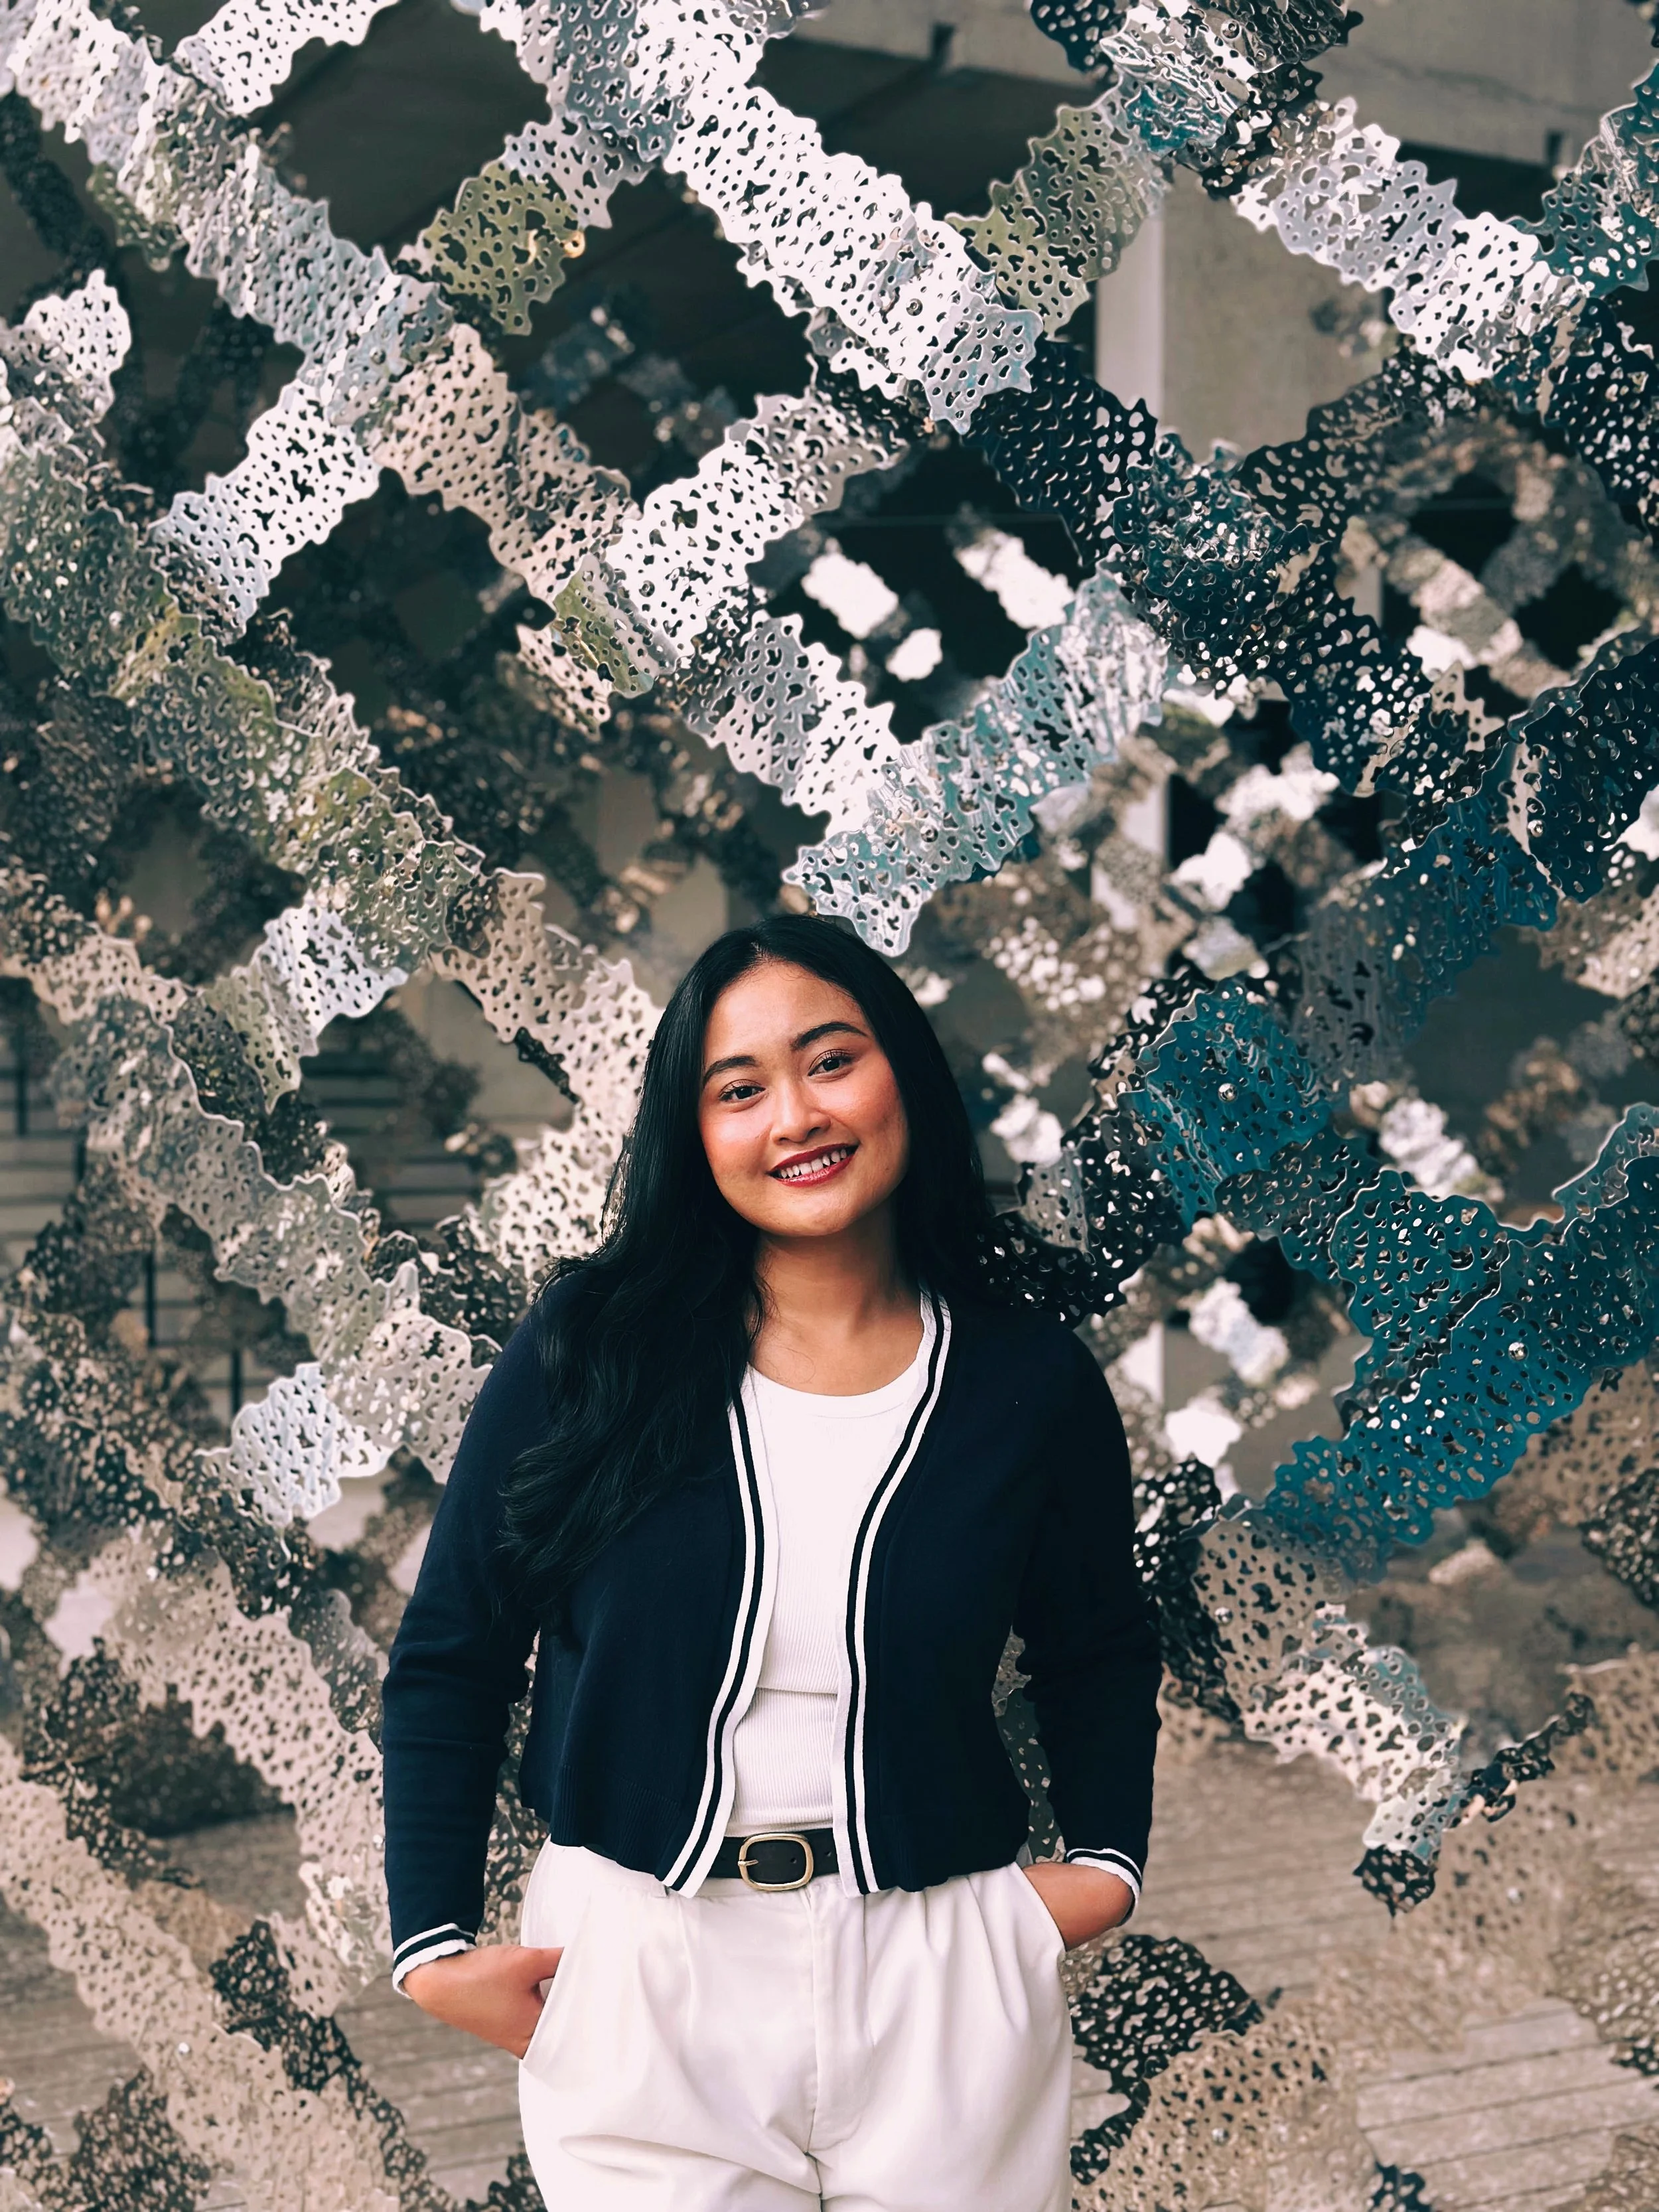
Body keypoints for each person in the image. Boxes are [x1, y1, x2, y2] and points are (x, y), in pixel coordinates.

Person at [381, 913, 1161, 2212]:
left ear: (901, 1072)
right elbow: (453, 1652)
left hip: (939, 1975)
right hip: (643, 1973)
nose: (795, 1116)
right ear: (692, 1135)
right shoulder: (592, 1350)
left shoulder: (1025, 1381)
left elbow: (1097, 1649)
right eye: (737, 1090)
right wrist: (431, 1945)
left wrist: (1095, 1876)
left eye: (830, 1061)